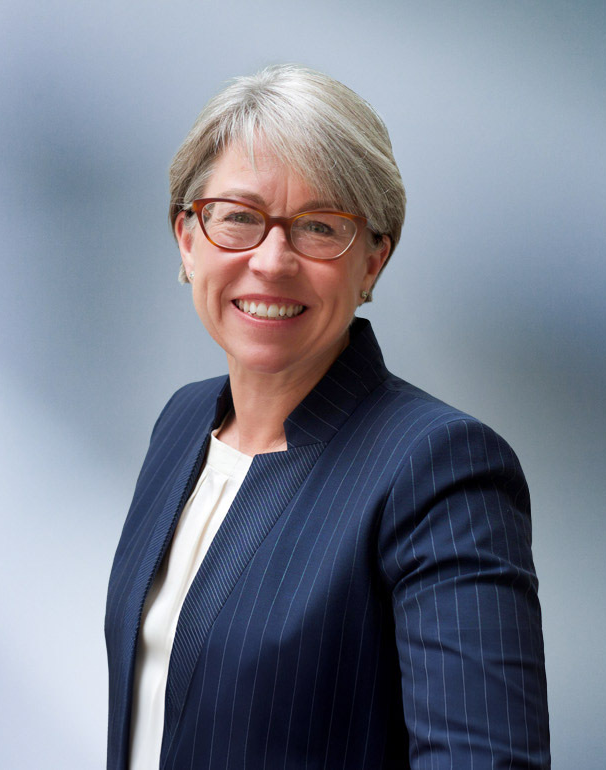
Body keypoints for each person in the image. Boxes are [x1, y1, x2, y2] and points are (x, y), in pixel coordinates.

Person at [104, 65, 549, 769]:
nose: (272, 261)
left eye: (320, 227)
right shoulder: (182, 425)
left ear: (373, 261)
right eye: (239, 217)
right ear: (188, 238)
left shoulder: (439, 471)